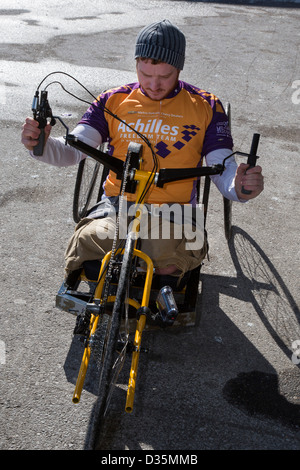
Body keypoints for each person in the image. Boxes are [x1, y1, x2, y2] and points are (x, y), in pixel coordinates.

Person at [21, 20, 264, 289]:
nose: (154, 84)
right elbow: (72, 150)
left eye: (165, 76)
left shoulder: (206, 104)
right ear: (136, 63)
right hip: (117, 206)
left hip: (175, 211)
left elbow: (222, 164)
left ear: (179, 68)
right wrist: (40, 144)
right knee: (87, 245)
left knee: (170, 263)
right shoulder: (113, 100)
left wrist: (239, 187)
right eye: (145, 74)